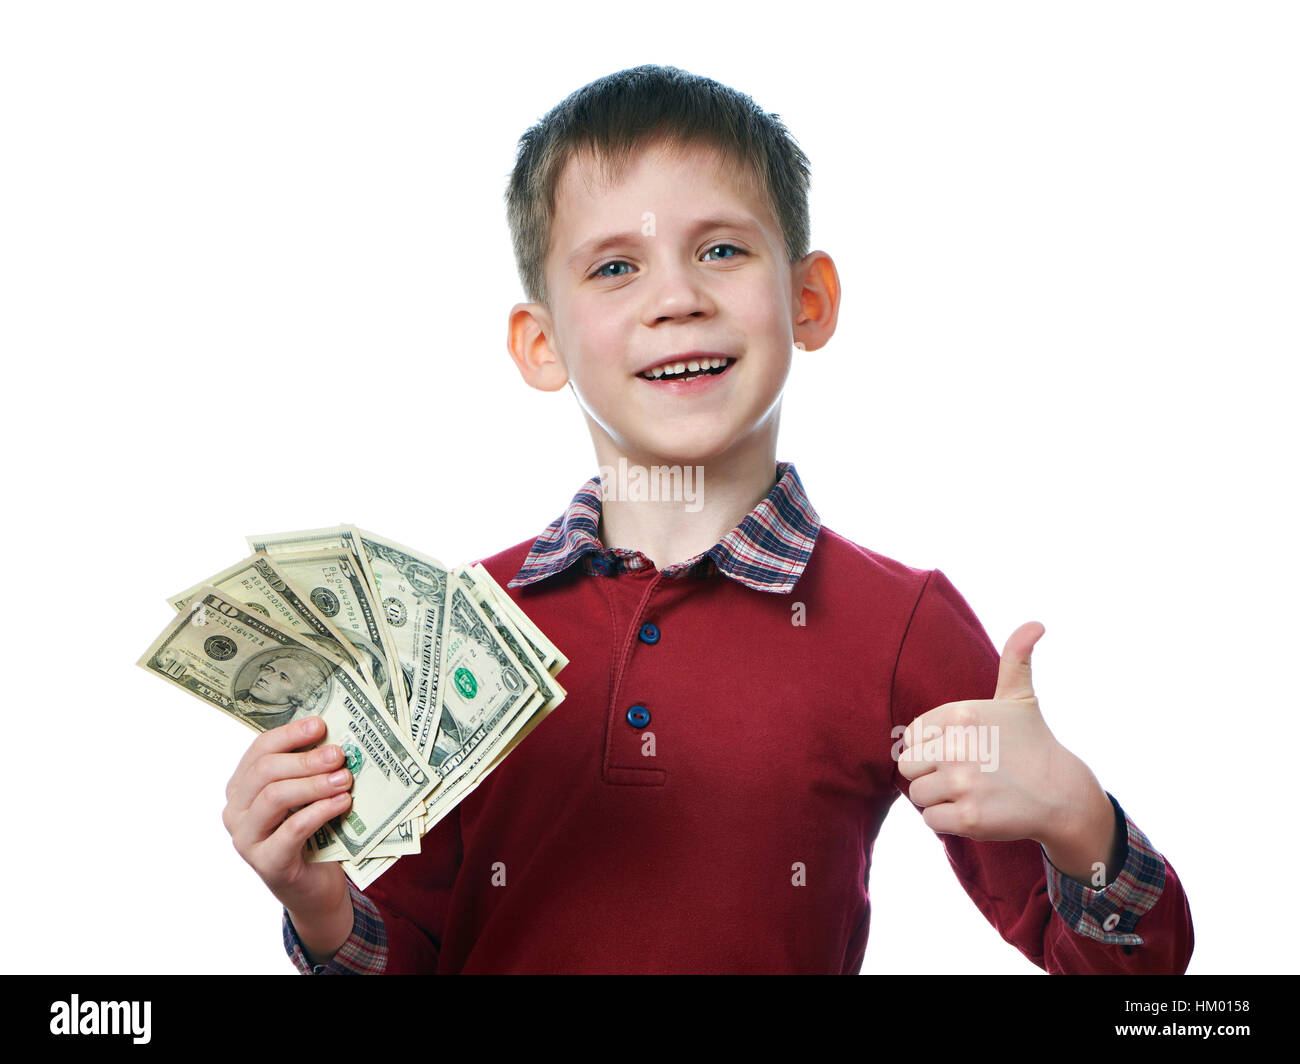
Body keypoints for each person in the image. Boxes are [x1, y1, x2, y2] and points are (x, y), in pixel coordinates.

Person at [221, 65, 1193, 974]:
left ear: (807, 300)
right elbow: (416, 950)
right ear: (540, 342)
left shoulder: (898, 626)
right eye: (613, 268)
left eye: (721, 250)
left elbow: (1131, 971)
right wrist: (319, 905)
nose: (677, 298)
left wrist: (1077, 819)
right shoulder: (461, 621)